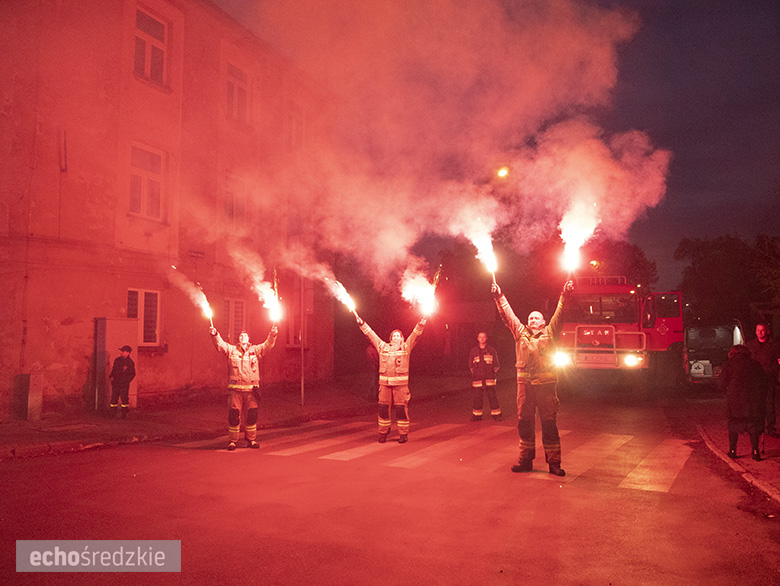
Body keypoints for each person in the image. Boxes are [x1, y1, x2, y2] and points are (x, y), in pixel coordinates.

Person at [492, 279, 571, 476]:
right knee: (525, 424)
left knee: (549, 425)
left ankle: (554, 464)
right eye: (531, 318)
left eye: (537, 318)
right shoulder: (520, 333)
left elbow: (561, 314)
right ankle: (525, 460)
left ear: (544, 322)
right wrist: (499, 296)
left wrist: (565, 295)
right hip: (525, 388)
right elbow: (508, 316)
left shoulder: (550, 332)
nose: (533, 320)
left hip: (546, 388)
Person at [355, 312, 427, 443]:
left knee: (401, 410)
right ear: (390, 338)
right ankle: (383, 433)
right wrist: (361, 323)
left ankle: (403, 434)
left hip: (400, 387)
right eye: (393, 335)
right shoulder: (383, 347)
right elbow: (371, 335)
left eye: (398, 335)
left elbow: (415, 335)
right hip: (384, 385)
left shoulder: (405, 347)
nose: (395, 337)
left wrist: (420, 324)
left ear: (402, 338)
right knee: (383, 409)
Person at [210, 325, 278, 451]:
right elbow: (220, 345)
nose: (243, 337)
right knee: (234, 416)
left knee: (252, 416)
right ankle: (232, 441)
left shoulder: (255, 350)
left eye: (245, 336)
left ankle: (251, 440)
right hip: (235, 391)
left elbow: (267, 345)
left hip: (251, 391)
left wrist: (273, 334)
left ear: (249, 338)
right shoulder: (232, 350)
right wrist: (215, 334)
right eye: (241, 336)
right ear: (238, 339)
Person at [720, 344, 769, 461]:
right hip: (752, 403)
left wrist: (726, 391)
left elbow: (721, 383)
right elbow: (764, 382)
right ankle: (755, 451)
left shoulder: (729, 364)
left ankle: (732, 450)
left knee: (733, 425)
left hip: (735, 402)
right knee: (753, 427)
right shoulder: (755, 364)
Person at [746, 322, 780, 438]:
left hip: (769, 378)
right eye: (758, 330)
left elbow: (778, 361)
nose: (760, 332)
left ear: (767, 331)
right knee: (756, 404)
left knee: (769, 404)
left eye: (762, 330)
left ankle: (771, 427)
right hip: (755, 380)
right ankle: (757, 426)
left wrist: (773, 370)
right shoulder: (751, 345)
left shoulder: (774, 346)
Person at [468, 332, 502, 422]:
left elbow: (496, 365)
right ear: (477, 339)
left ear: (486, 338)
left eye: (483, 337)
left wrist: (490, 373)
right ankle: (477, 416)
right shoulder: (473, 351)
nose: (482, 339)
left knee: (492, 397)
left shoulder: (491, 350)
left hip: (489, 379)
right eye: (480, 337)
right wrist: (476, 374)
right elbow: (470, 365)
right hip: (477, 379)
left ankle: (497, 415)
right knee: (477, 398)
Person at [109, 345, 136, 418]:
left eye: (123, 351)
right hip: (116, 383)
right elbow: (114, 370)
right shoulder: (117, 360)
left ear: (128, 353)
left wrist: (126, 381)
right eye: (122, 351)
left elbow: (132, 374)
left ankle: (124, 414)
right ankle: (112, 413)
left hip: (124, 384)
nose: (121, 353)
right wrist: (111, 376)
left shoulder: (130, 363)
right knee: (114, 398)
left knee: (124, 399)